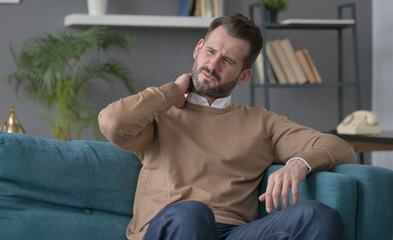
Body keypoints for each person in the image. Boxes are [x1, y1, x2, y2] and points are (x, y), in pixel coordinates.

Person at [98, 13, 356, 240]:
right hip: (174, 226)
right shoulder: (160, 114)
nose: (212, 64)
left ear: (244, 76)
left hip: (234, 233)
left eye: (228, 61)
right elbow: (113, 123)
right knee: (193, 213)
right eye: (210, 51)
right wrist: (173, 91)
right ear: (198, 49)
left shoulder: (261, 123)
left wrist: (299, 164)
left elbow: (340, 147)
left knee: (317, 215)